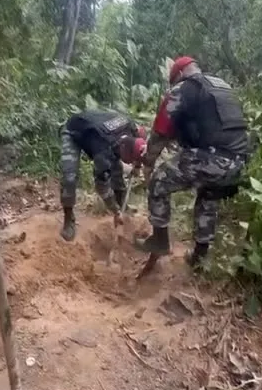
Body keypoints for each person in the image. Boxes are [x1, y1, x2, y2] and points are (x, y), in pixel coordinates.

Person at [135, 56, 249, 267]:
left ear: (179, 75)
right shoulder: (222, 86)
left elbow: (160, 131)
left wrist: (148, 162)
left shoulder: (182, 89)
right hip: (239, 162)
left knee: (159, 181)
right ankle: (199, 258)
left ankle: (160, 240)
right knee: (208, 196)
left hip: (214, 158)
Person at [59, 110, 146, 241]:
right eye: (128, 160)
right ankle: (68, 217)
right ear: (123, 150)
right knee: (69, 178)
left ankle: (122, 203)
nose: (129, 163)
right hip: (74, 131)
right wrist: (116, 212)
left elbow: (142, 146)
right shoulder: (103, 153)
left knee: (116, 167)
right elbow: (102, 188)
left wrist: (138, 165)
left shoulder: (132, 128)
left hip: (97, 128)